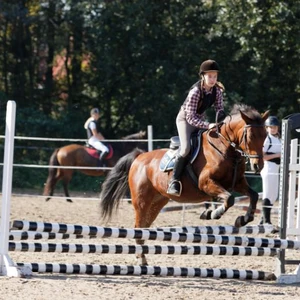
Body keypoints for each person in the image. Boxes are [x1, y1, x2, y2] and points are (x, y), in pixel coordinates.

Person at [167, 59, 226, 197]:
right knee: (186, 148)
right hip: (185, 120)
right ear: (203, 76)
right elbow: (190, 118)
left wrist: (222, 120)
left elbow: (219, 109)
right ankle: (174, 181)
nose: (213, 79)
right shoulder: (195, 92)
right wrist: (208, 125)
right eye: (210, 76)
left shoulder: (217, 90)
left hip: (200, 119)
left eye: (215, 76)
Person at [259, 116, 281, 224]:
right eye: (270, 127)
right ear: (267, 128)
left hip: (276, 168)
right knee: (268, 194)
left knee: (273, 195)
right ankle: (267, 221)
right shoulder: (267, 139)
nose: (273, 129)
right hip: (268, 167)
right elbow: (263, 156)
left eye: (275, 127)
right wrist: (277, 155)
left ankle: (263, 219)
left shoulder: (278, 138)